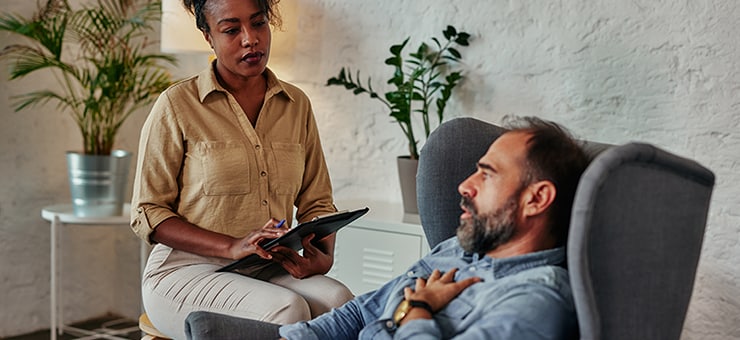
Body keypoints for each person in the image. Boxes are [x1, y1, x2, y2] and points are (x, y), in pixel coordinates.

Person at [184, 116, 590, 339]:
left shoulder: (535, 300)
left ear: (537, 199)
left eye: (487, 174)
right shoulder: (455, 251)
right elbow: (365, 308)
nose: (464, 186)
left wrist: (418, 309)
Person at [129, 0, 353, 338]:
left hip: (266, 267)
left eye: (259, 24)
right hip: (184, 272)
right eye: (232, 30)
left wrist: (322, 258)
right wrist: (231, 246)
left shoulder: (297, 105)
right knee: (287, 310)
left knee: (341, 302)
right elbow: (148, 212)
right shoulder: (177, 105)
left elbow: (317, 203)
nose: (250, 39)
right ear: (208, 36)